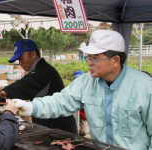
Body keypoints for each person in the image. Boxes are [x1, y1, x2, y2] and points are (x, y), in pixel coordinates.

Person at [14, 30, 152, 150]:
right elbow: (61, 101)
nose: (89, 63)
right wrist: (29, 107)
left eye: (95, 58)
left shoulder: (144, 86)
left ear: (115, 60)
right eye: (89, 57)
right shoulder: (86, 82)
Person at [0, 39, 78, 134]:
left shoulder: (44, 72)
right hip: (48, 126)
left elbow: (20, 88)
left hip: (60, 129)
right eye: (18, 60)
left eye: (21, 58)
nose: (20, 63)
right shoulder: (38, 70)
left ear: (33, 54)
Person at [73, 71, 90, 136]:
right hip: (76, 111)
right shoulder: (72, 88)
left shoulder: (89, 88)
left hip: (84, 113)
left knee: (84, 132)